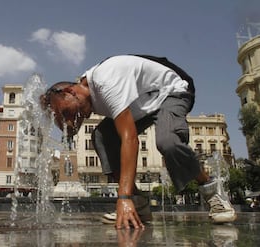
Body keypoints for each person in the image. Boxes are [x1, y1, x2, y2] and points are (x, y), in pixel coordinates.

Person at [39, 54, 237, 229]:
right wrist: (52, 111)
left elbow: (130, 138)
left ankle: (212, 192)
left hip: (171, 92)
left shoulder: (106, 81)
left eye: (66, 113)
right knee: (101, 136)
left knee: (167, 141)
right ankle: (139, 203)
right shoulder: (85, 96)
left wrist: (122, 198)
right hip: (143, 104)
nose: (68, 120)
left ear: (71, 91)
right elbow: (71, 129)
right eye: (62, 118)